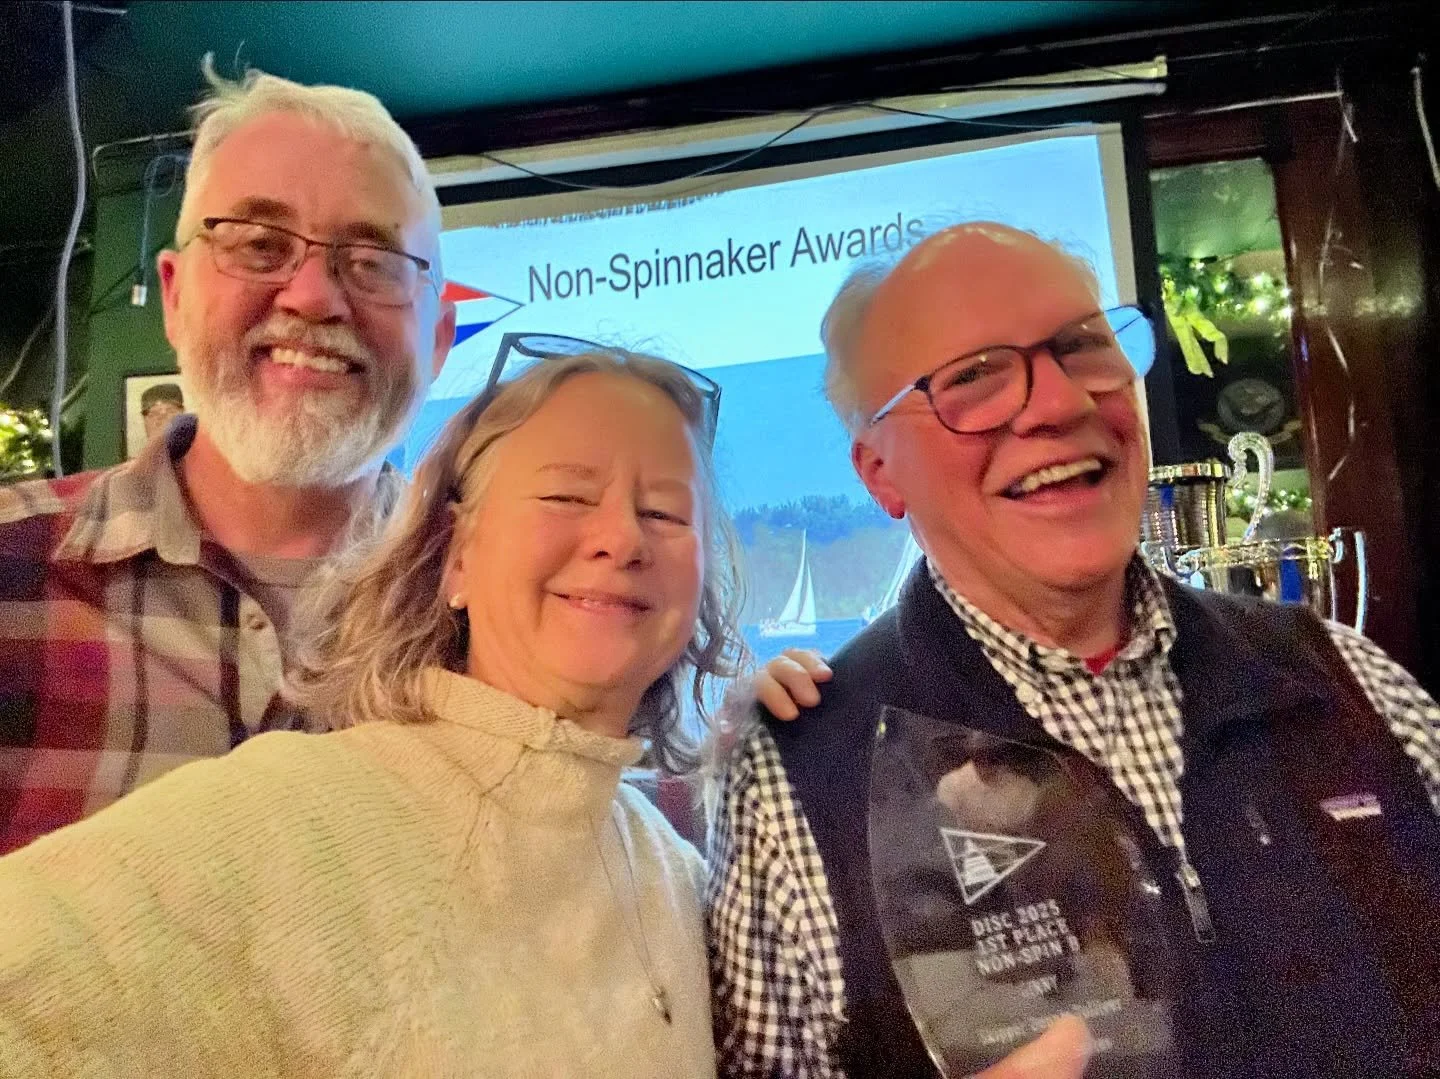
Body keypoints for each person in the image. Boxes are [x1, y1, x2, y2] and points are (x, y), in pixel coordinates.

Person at [708, 222, 1440, 1078]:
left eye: (1082, 346)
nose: (1058, 404)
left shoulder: (1349, 682)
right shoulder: (798, 778)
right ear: (880, 473)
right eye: (973, 377)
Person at [0, 350, 746, 1076]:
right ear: (457, 555)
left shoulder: (671, 868)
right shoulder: (302, 815)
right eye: (566, 496)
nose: (621, 538)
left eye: (664, 511)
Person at [0, 63, 455, 854]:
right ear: (174, 298)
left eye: (374, 261)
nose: (313, 296)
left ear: (440, 338)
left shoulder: (508, 612)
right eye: (258, 243)